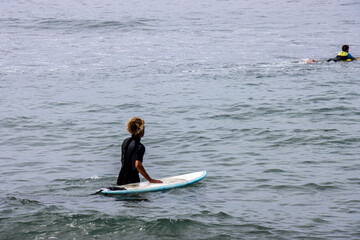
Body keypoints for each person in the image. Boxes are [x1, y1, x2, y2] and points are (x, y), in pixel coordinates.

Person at [117, 117, 162, 185]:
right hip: (132, 180)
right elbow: (138, 165)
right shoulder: (140, 147)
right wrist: (150, 179)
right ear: (141, 130)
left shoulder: (125, 141)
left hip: (121, 178)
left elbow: (122, 159)